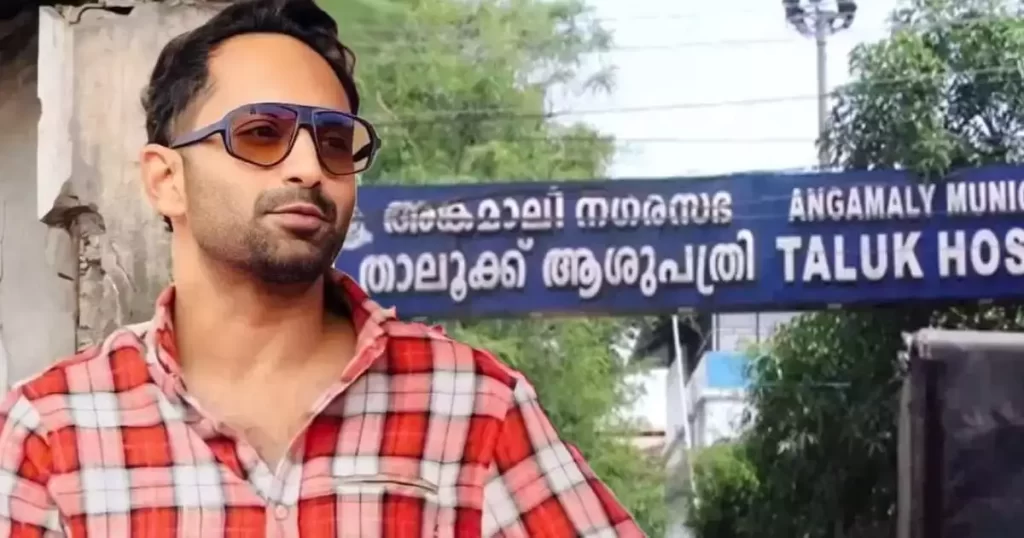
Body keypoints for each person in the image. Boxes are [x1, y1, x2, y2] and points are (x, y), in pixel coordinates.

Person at [0, 0, 644, 536]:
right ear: (166, 180)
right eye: (261, 133)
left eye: (335, 143)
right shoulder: (54, 432)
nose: (310, 168)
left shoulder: (472, 406)